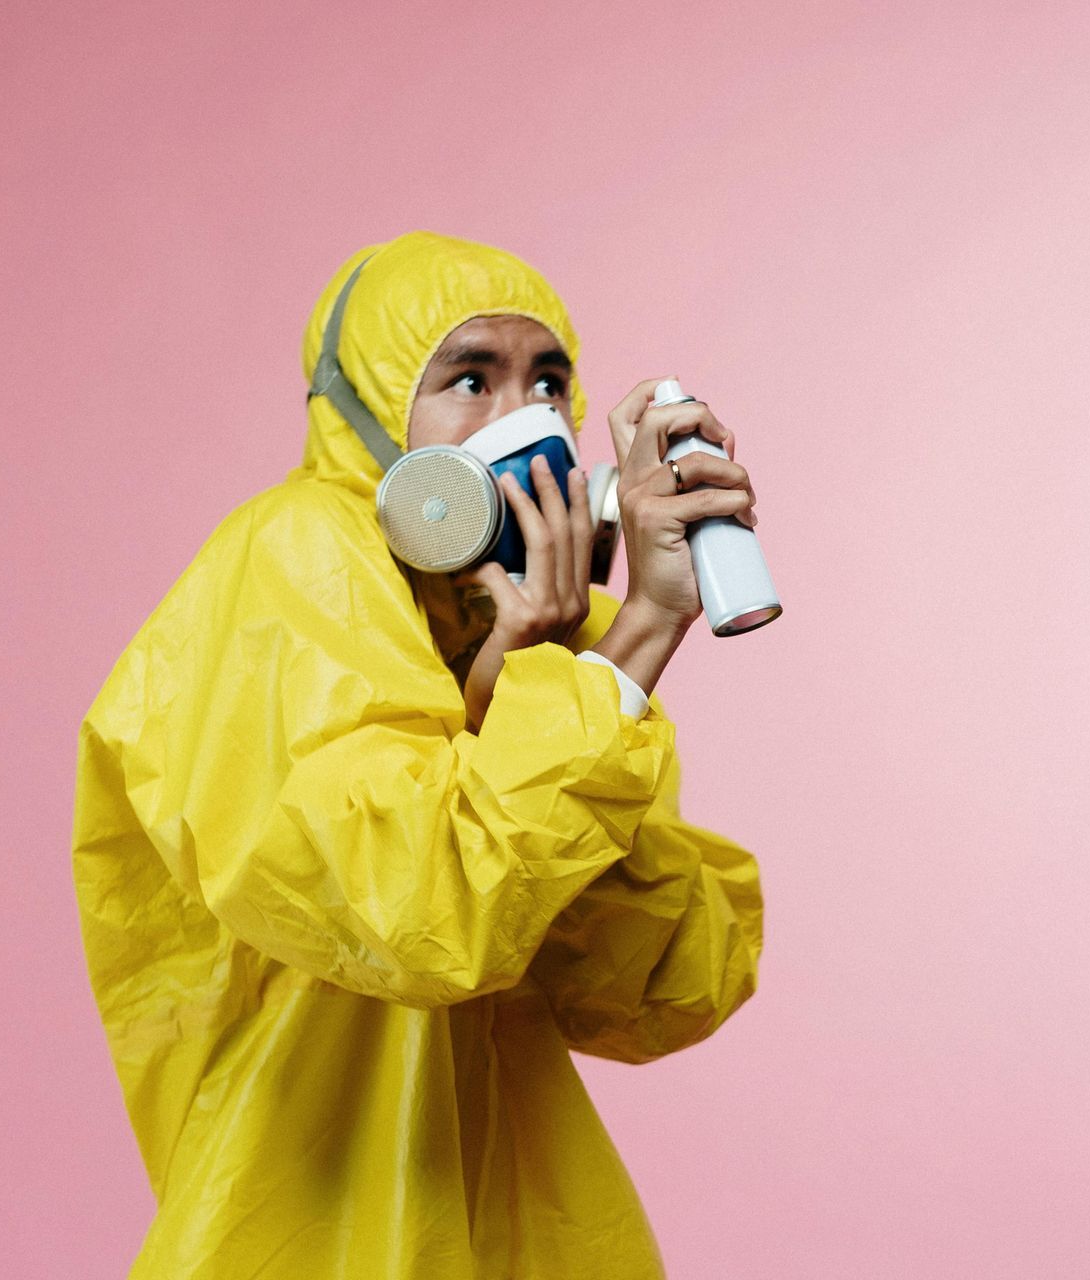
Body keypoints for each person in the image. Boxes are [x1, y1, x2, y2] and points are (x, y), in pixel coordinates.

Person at [71, 230, 766, 1279]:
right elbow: (418, 908)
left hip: (518, 1235)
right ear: (370, 399)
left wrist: (547, 663)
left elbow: (663, 990)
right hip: (313, 1235)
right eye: (471, 378)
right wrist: (630, 645)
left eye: (548, 381)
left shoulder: (544, 656)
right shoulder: (295, 556)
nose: (521, 417)